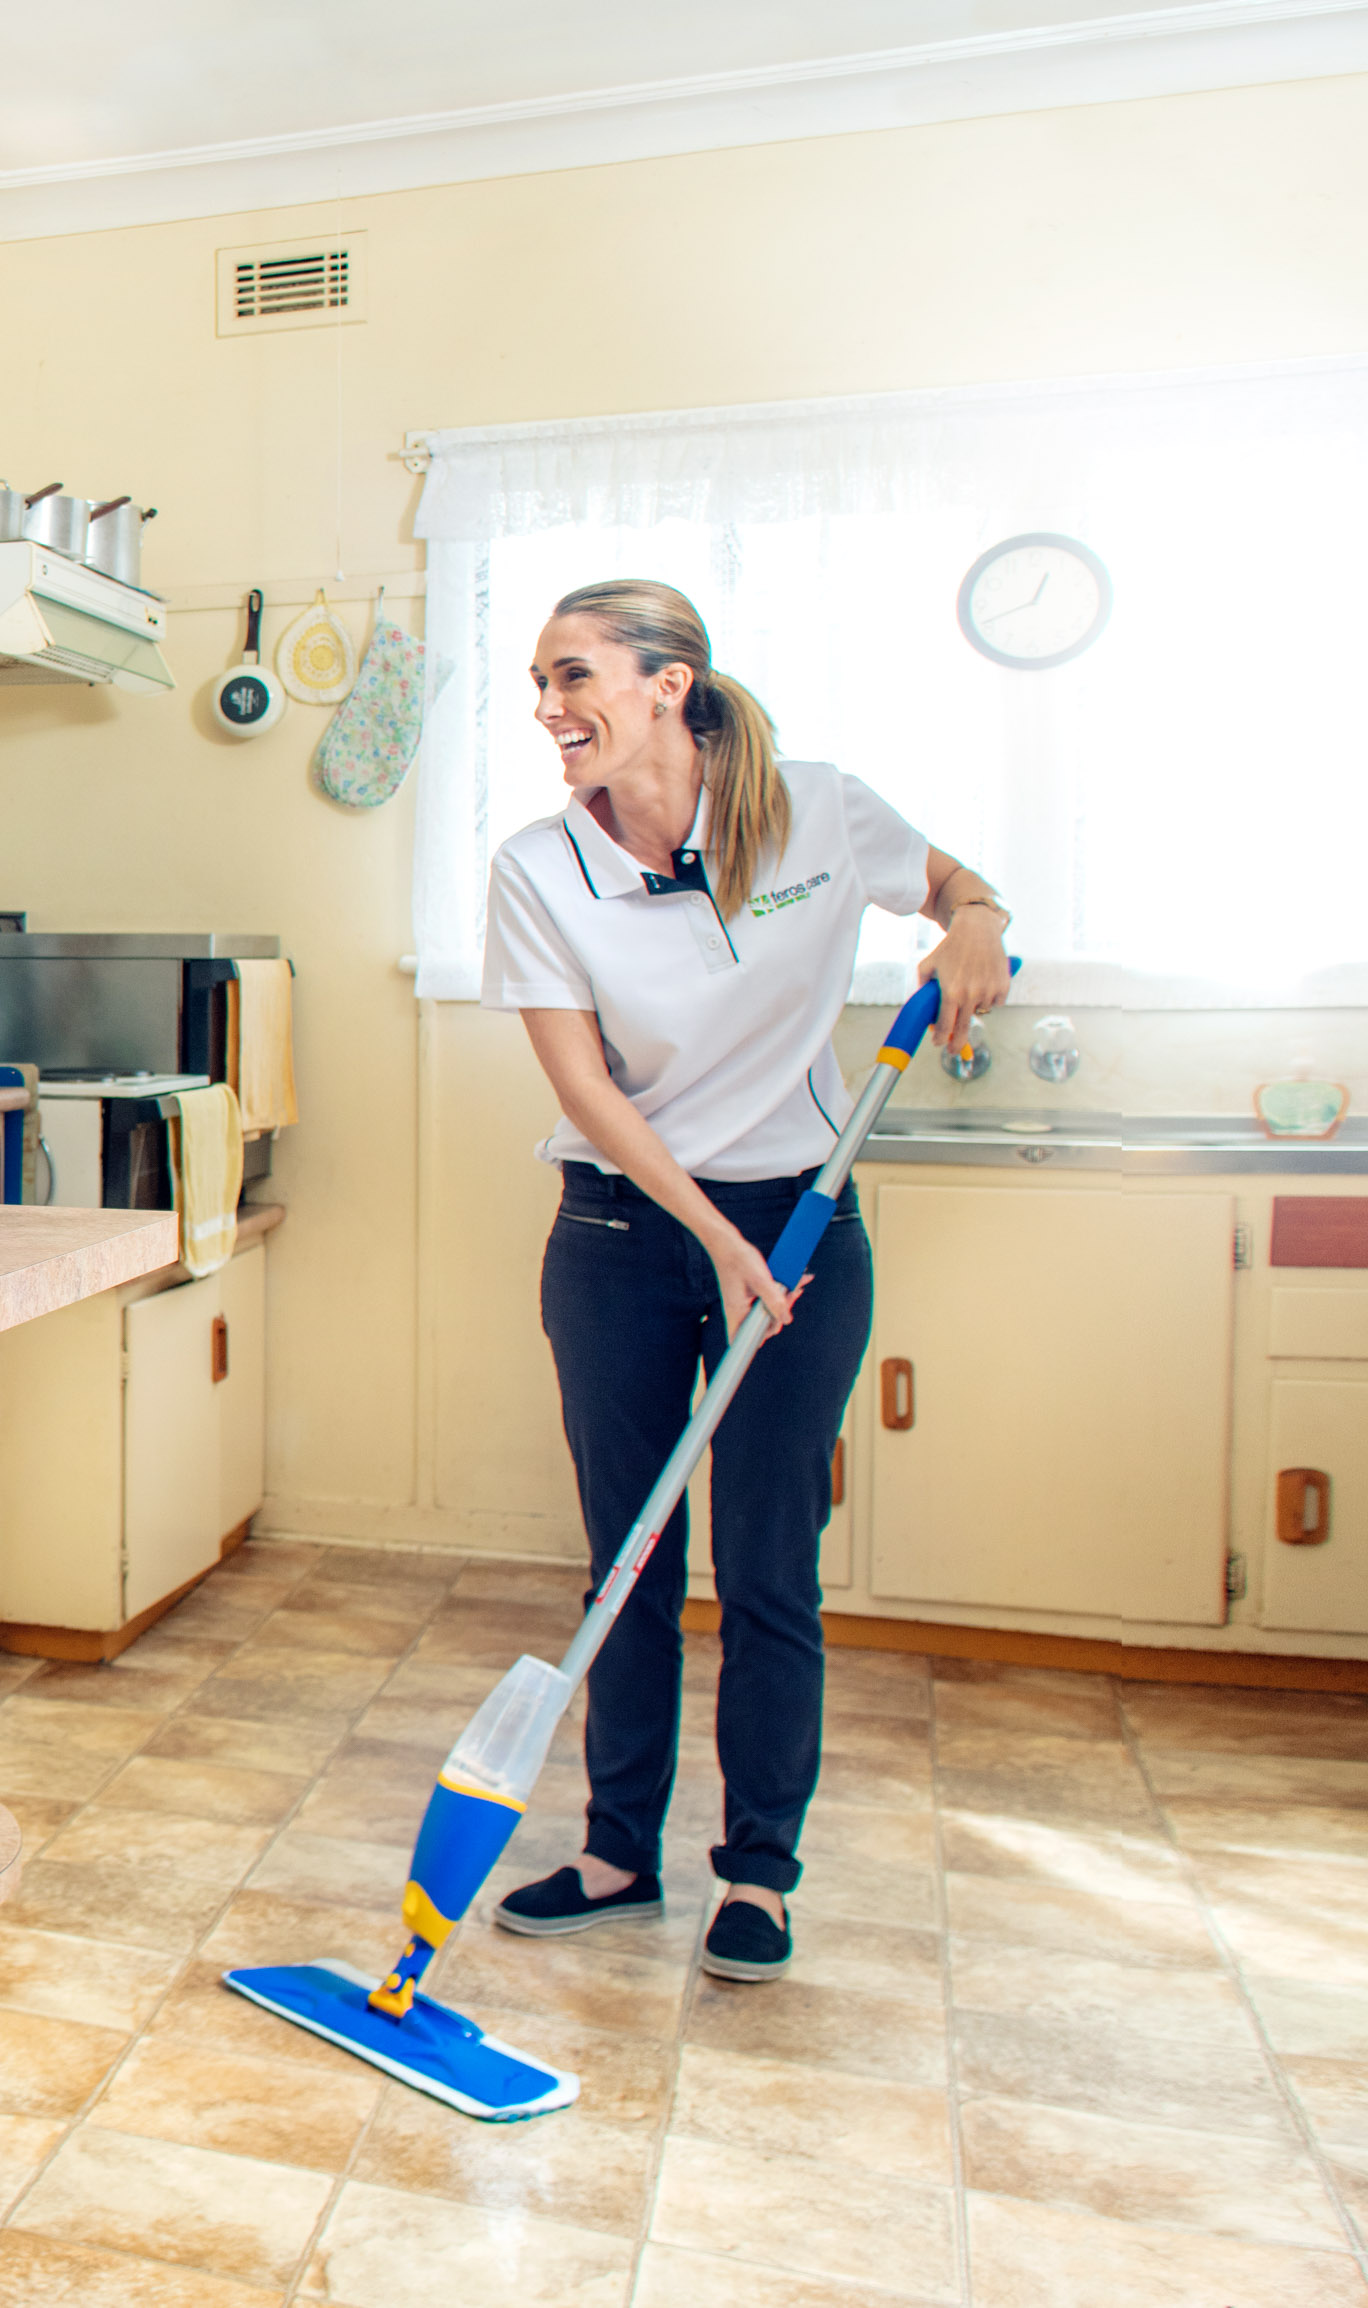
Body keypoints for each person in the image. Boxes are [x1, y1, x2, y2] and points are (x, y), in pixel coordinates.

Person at [476, 581, 1009, 1987]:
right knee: (632, 1556)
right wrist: (711, 1234)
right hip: (626, 1232)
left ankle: (760, 1872)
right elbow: (583, 1086)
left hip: (803, 1221)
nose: (547, 708)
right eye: (537, 680)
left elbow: (958, 886)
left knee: (771, 1563)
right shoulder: (540, 867)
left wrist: (977, 924)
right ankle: (615, 1853)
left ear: (669, 684)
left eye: (573, 675)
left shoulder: (816, 814)